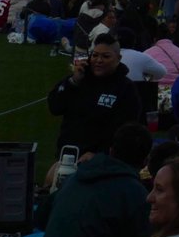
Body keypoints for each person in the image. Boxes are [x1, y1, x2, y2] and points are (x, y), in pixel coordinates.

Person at [30, 123, 153, 237]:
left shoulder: (74, 179)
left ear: (111, 151)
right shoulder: (134, 193)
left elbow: (40, 218)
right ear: (145, 161)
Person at [46, 34, 143, 168]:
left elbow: (127, 130)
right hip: (68, 157)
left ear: (118, 59)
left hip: (103, 162)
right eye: (95, 55)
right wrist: (73, 82)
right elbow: (54, 107)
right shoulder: (78, 80)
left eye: (105, 56)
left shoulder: (126, 88)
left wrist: (100, 154)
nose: (99, 60)